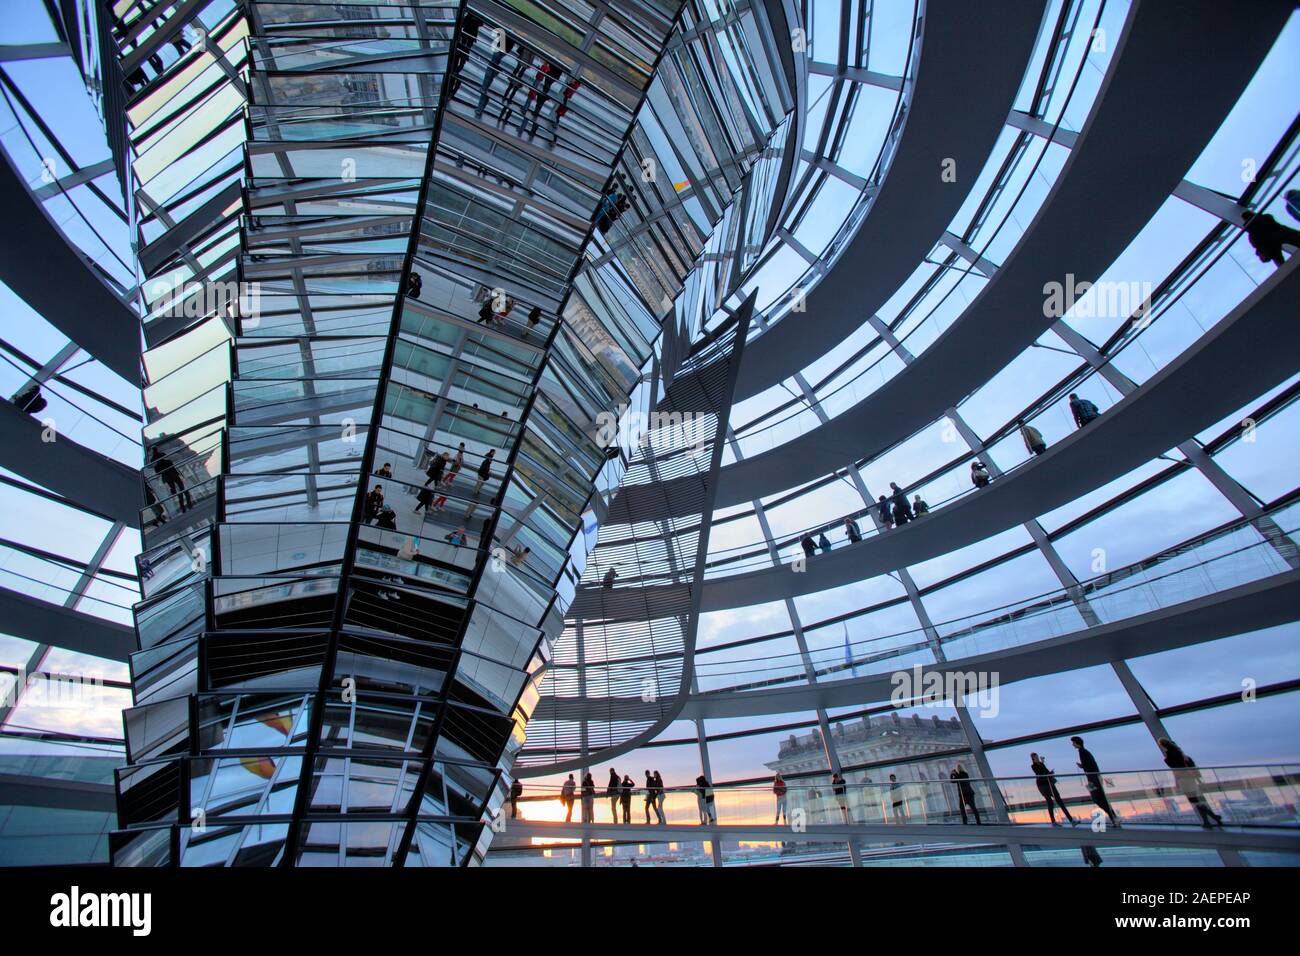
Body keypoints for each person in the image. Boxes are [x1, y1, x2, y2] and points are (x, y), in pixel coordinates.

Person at [1158, 737, 1224, 828]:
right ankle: (1211, 818)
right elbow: (1191, 767)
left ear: (1162, 746)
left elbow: (1176, 771)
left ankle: (1209, 820)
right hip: (1191, 779)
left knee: (1195, 801)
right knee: (1198, 800)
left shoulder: (1168, 758)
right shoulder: (1182, 754)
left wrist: (1176, 783)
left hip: (1184, 780)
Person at [1071, 735, 1120, 828]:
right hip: (1093, 778)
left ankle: (1114, 818)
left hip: (1093, 778)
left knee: (1098, 798)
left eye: (1073, 743)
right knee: (1099, 798)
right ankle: (1114, 818)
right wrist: (1083, 766)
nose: (1072, 745)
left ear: (1077, 743)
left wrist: (1082, 766)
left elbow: (1089, 766)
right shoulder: (1085, 752)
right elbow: (1091, 764)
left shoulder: (1082, 752)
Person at [1030, 752, 1074, 826]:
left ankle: (1071, 820)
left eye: (1037, 757)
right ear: (1033, 759)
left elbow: (1046, 772)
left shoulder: (1041, 764)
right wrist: (1045, 769)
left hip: (1048, 784)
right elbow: (1040, 773)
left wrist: (1050, 772)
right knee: (1050, 803)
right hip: (1043, 786)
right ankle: (1054, 822)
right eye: (1035, 757)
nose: (1037, 758)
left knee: (1059, 801)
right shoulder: (1033, 766)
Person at [152, 447, 193, 512]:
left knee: (177, 490)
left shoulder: (156, 464)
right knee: (182, 489)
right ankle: (188, 504)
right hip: (174, 475)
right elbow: (172, 467)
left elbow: (158, 472)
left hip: (168, 478)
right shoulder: (167, 461)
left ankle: (183, 507)